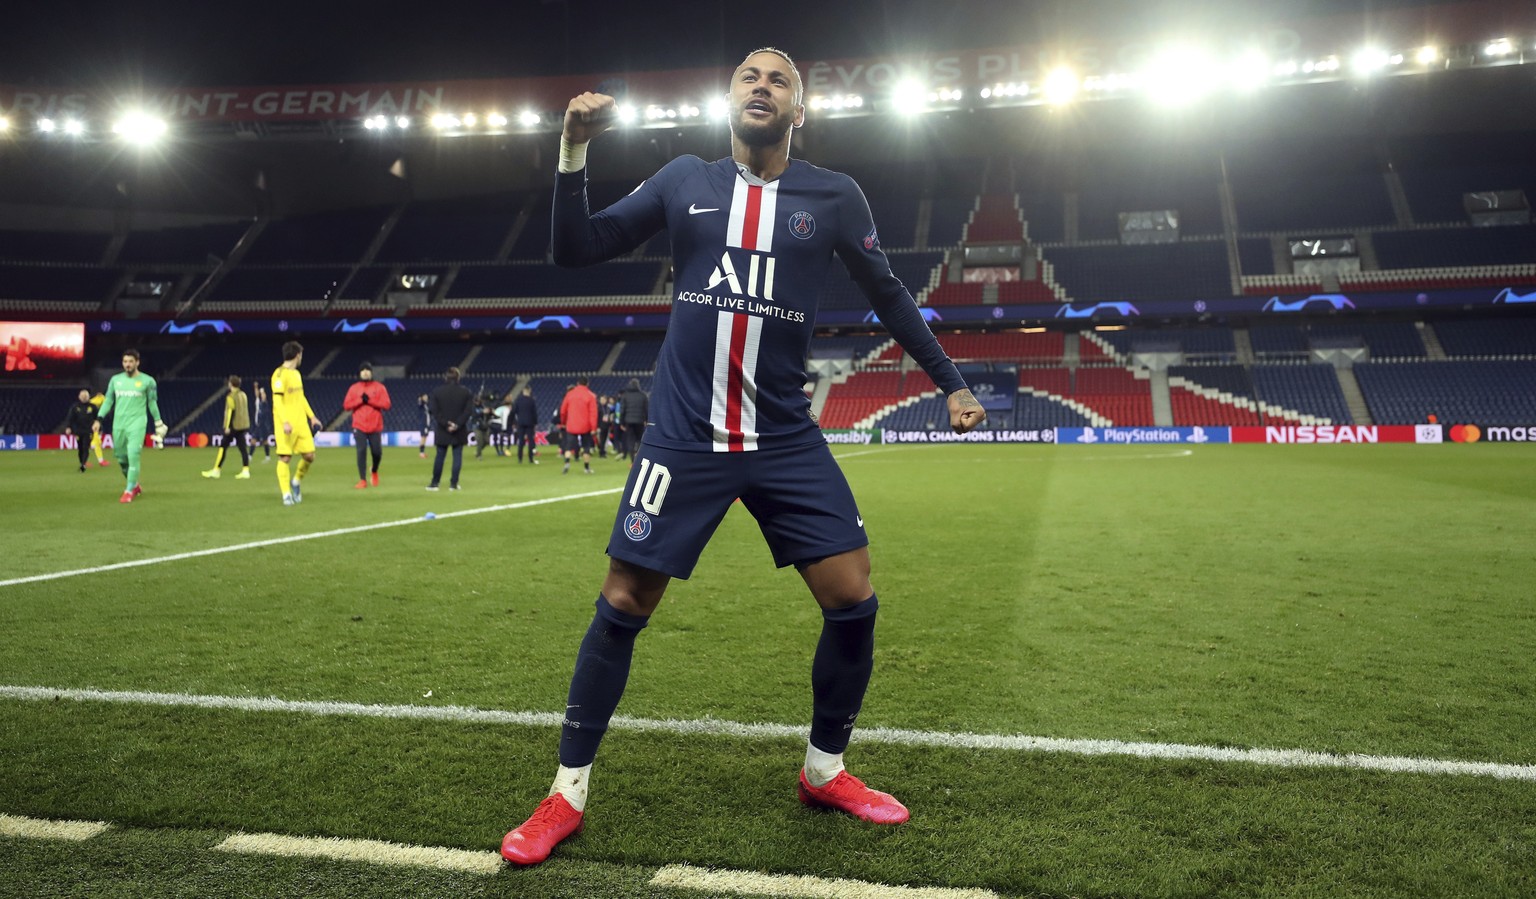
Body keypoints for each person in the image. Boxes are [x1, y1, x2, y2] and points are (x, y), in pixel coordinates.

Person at [498, 48, 986, 867]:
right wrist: (573, 149)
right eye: (749, 77)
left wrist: (951, 382)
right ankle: (565, 792)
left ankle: (825, 769)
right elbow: (575, 250)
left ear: (801, 111)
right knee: (624, 598)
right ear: (729, 100)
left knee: (853, 596)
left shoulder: (834, 196)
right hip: (685, 436)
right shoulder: (684, 180)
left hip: (784, 436)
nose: (762, 86)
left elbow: (888, 293)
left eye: (779, 80)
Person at [94, 348, 168, 504]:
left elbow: (152, 403)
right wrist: (99, 419)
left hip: (138, 423)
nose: (127, 365)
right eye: (125, 362)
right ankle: (134, 484)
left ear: (137, 362)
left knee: (133, 454)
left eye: (130, 362)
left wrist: (158, 422)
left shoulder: (148, 381)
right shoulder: (115, 380)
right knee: (121, 459)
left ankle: (128, 491)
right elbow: (108, 400)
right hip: (119, 424)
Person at [271, 341, 323, 506]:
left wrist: (312, 416)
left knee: (309, 455)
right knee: (285, 457)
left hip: (300, 423)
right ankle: (286, 494)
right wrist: (285, 421)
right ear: (297, 355)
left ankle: (296, 482)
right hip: (285, 424)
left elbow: (301, 398)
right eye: (301, 355)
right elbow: (277, 401)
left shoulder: (297, 374)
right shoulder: (279, 374)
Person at [343, 361, 393, 488]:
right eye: (363, 370)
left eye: (367, 370)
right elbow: (346, 405)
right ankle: (362, 480)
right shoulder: (354, 388)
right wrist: (360, 400)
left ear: (371, 372)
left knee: (377, 453)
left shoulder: (379, 387)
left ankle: (374, 470)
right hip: (359, 425)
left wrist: (370, 401)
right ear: (360, 373)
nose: (365, 372)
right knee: (361, 451)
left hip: (375, 425)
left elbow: (387, 404)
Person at [427, 366, 474, 491]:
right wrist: (457, 424)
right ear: (458, 378)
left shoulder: (437, 392)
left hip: (443, 430)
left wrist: (446, 424)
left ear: (446, 377)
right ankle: (453, 484)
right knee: (457, 456)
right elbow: (468, 411)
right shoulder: (466, 392)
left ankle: (435, 483)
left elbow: (434, 412)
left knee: (440, 456)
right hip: (459, 430)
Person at [201, 375, 253, 480]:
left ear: (231, 384)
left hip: (233, 426)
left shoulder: (231, 396)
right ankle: (246, 470)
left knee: (223, 447)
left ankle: (216, 470)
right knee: (242, 448)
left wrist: (227, 426)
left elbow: (230, 411)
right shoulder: (243, 394)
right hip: (243, 425)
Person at [559, 377, 599, 475]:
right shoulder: (591, 396)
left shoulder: (570, 394)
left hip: (572, 425)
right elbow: (593, 413)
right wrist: (593, 428)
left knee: (568, 446)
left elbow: (563, 411)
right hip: (585, 426)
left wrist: (563, 423)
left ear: (577, 383)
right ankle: (586, 468)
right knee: (586, 447)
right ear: (587, 384)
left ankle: (567, 463)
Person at [64, 389, 99, 473]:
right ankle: (82, 462)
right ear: (79, 397)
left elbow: (97, 419)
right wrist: (68, 427)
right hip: (78, 431)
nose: (84, 397)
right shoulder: (75, 407)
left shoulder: (93, 407)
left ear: (88, 397)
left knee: (85, 447)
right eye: (82, 396)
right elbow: (70, 418)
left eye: (85, 396)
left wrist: (99, 428)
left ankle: (83, 464)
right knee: (80, 448)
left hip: (88, 431)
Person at [616, 377, 649, 462]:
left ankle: (632, 460)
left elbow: (622, 410)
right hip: (640, 421)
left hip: (629, 422)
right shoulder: (643, 395)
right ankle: (638, 456)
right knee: (639, 440)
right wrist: (647, 420)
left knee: (630, 440)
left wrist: (621, 423)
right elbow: (646, 409)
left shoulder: (625, 396)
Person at [512, 386, 539, 464]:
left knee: (521, 441)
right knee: (530, 441)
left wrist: (514, 422)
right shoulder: (531, 401)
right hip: (530, 423)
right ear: (529, 391)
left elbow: (514, 411)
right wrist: (535, 423)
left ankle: (520, 459)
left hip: (520, 423)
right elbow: (534, 413)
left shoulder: (518, 400)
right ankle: (530, 458)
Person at [250, 382, 272, 463]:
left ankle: (267, 457)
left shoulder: (264, 404)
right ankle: (250, 456)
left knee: (265, 441)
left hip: (263, 425)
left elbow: (263, 397)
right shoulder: (257, 402)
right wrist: (256, 387)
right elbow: (256, 395)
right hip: (257, 425)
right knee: (253, 440)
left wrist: (262, 391)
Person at [87, 391, 109, 467]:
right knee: (95, 442)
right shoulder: (100, 399)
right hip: (93, 423)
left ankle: (100, 460)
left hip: (93, 422)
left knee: (97, 439)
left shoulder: (91, 401)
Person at [417, 394, 432, 459]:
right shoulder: (422, 405)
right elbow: (419, 402)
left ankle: (422, 452)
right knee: (423, 437)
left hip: (427, 424)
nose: (426, 398)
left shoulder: (426, 406)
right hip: (423, 424)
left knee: (425, 437)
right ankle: (421, 453)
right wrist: (420, 399)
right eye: (425, 397)